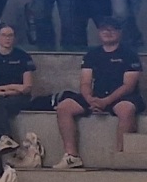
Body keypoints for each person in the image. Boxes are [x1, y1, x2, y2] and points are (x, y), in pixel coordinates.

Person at [53, 19, 142, 169]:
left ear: (119, 32)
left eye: (112, 29)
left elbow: (128, 86)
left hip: (121, 96)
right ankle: (71, 156)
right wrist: (90, 99)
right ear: (99, 32)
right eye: (104, 29)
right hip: (97, 94)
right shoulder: (91, 55)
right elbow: (85, 82)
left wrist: (105, 101)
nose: (108, 32)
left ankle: (120, 156)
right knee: (64, 107)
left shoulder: (130, 55)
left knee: (126, 109)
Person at [0, 23, 34, 146]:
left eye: (10, 35)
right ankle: (2, 140)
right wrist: (14, 87)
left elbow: (27, 87)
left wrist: (3, 91)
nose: (7, 38)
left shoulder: (23, 56)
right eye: (4, 35)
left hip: (19, 98)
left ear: (14, 38)